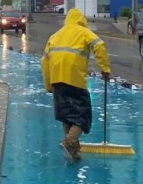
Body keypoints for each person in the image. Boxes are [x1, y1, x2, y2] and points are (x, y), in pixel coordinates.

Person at [41, 9, 111, 163]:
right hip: (75, 81)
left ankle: (72, 153)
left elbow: (44, 61)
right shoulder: (84, 32)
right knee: (82, 117)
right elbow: (99, 45)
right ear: (81, 20)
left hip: (57, 81)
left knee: (67, 117)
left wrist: (49, 85)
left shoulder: (55, 36)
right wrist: (105, 69)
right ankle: (69, 142)